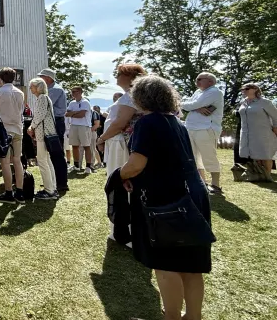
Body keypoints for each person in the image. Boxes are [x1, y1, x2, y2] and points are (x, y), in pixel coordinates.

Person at [121, 75, 212, 320]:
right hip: (193, 195)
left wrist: (120, 175)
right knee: (191, 264)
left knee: (166, 263)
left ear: (141, 98)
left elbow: (136, 164)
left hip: (167, 200)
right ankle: (192, 316)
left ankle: (171, 316)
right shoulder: (177, 122)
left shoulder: (147, 122)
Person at [96, 64, 147, 243]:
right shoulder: (137, 95)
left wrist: (101, 139)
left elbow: (119, 123)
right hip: (120, 142)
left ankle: (124, 230)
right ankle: (124, 227)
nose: (116, 76)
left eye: (119, 74)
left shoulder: (131, 96)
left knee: (119, 182)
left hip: (119, 144)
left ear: (130, 77)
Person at [180, 73, 225, 194]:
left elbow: (191, 104)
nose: (197, 81)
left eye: (200, 79)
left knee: (209, 156)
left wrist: (193, 106)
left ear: (210, 81)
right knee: (193, 157)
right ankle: (201, 182)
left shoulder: (214, 92)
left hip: (206, 128)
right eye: (196, 79)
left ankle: (215, 185)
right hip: (191, 127)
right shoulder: (198, 92)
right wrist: (196, 108)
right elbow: (183, 104)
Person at [0, 67, 26, 203]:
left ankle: (9, 192)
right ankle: (20, 192)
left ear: (1, 78)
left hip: (4, 130)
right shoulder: (20, 93)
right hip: (18, 128)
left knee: (5, 162)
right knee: (17, 160)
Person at [27, 78, 63, 200]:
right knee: (47, 161)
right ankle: (52, 188)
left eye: (32, 86)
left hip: (43, 134)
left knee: (42, 161)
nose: (30, 88)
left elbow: (39, 115)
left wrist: (31, 126)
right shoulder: (44, 98)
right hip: (46, 133)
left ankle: (49, 191)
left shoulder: (42, 98)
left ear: (38, 87)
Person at [237, 83, 277, 181]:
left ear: (255, 89)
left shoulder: (265, 102)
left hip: (262, 132)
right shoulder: (243, 102)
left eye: (246, 88)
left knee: (265, 154)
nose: (244, 91)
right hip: (246, 133)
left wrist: (275, 128)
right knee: (254, 154)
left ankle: (267, 176)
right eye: (242, 89)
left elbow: (275, 117)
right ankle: (258, 175)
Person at [65, 86, 95, 174]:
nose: (73, 93)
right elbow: (67, 114)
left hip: (84, 126)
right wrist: (76, 112)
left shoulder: (85, 102)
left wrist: (73, 113)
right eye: (72, 92)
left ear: (80, 92)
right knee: (74, 146)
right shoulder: (72, 103)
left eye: (75, 91)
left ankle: (88, 167)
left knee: (86, 146)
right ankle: (76, 165)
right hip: (73, 125)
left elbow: (81, 115)